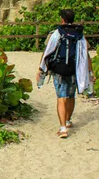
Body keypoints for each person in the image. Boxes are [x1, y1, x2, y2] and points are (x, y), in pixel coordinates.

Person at [36, 9, 94, 138]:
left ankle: (62, 128)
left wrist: (41, 69)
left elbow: (47, 52)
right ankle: (67, 121)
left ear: (62, 19)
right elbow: (86, 54)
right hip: (74, 69)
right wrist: (90, 71)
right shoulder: (79, 34)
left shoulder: (55, 34)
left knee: (61, 97)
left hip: (59, 70)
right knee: (71, 96)